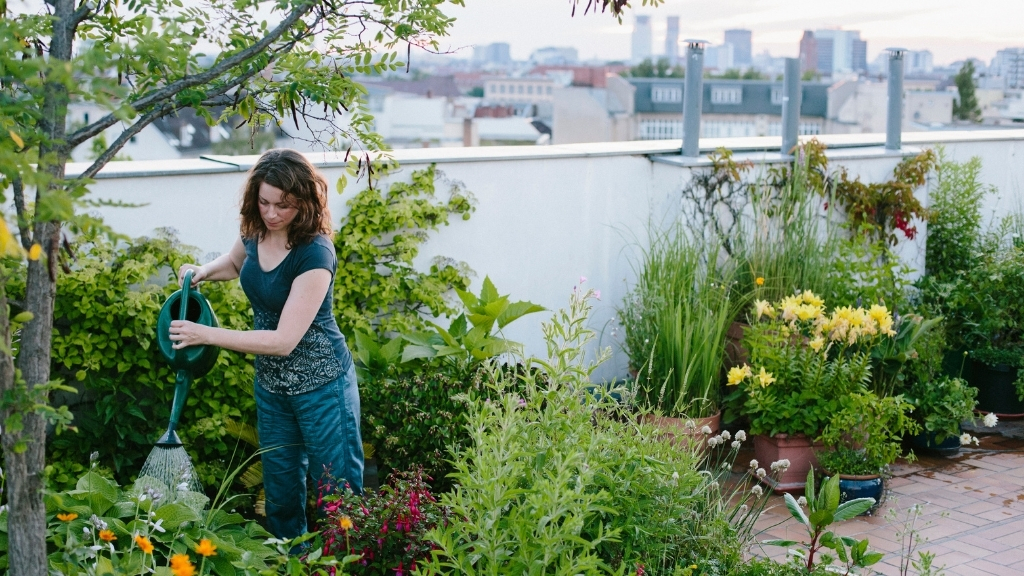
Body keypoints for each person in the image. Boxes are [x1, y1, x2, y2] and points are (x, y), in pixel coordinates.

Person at [169, 148, 363, 540]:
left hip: (323, 387)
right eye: (264, 202)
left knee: (337, 495)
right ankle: (290, 563)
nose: (272, 213)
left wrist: (204, 334)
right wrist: (203, 271)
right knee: (280, 496)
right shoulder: (255, 231)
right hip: (273, 389)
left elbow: (283, 341)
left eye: (283, 205)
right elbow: (238, 263)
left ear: (305, 202)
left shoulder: (315, 253)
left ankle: (345, 565)